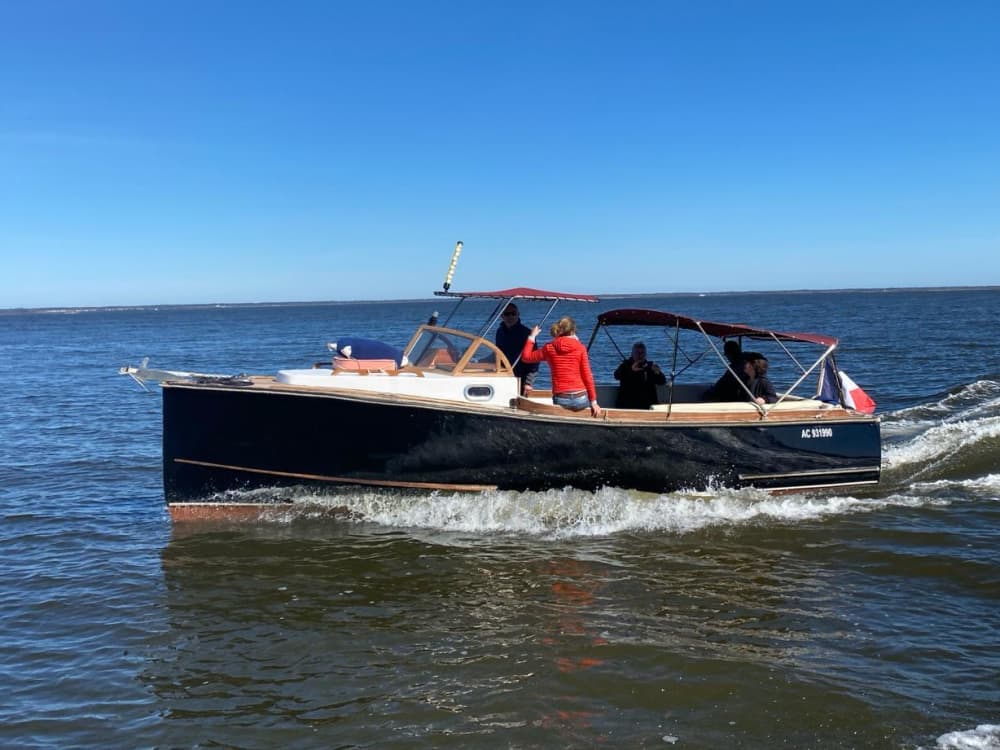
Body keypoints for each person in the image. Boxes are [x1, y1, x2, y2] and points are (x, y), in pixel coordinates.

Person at [521, 316, 601, 416]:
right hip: (580, 397)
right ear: (573, 331)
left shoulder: (549, 348)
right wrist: (594, 402)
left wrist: (532, 337)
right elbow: (587, 376)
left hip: (561, 398)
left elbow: (526, 357)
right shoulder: (580, 348)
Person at [495, 304, 539, 395]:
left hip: (521, 376)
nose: (510, 316)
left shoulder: (526, 333)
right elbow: (498, 352)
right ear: (502, 316)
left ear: (518, 314)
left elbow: (535, 359)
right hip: (503, 375)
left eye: (513, 313)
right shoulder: (499, 332)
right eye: (507, 314)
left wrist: (529, 382)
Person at [613, 341, 666, 409]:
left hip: (647, 405)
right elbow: (616, 376)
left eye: (642, 353)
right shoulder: (625, 365)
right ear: (632, 354)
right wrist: (631, 370)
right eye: (637, 353)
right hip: (628, 404)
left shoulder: (650, 367)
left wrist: (658, 373)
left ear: (645, 354)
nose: (640, 355)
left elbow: (662, 381)